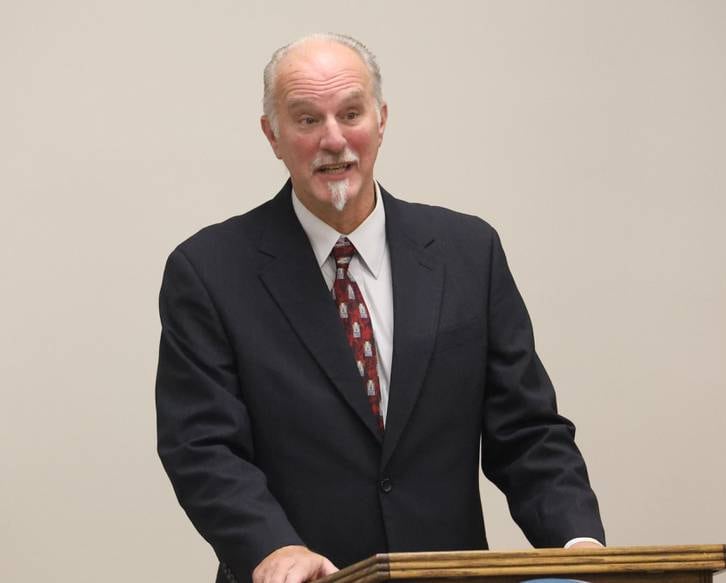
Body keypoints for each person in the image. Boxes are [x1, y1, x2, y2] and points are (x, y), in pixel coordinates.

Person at [156, 33, 605, 583]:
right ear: (272, 135)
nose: (334, 139)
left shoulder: (468, 253)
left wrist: (578, 546)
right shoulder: (209, 271)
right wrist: (271, 548)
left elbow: (528, 431)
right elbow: (201, 447)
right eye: (306, 119)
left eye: (351, 113)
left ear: (382, 119)